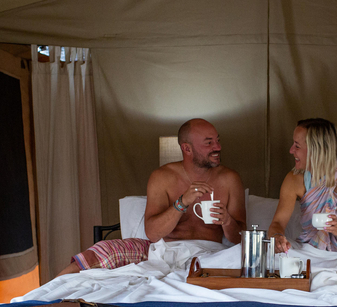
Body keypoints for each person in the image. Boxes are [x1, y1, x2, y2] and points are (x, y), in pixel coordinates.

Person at [56, 118, 246, 276]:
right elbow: (153, 233)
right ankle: (46, 295)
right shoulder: (162, 177)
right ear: (187, 149)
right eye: (209, 142)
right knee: (105, 249)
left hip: (211, 254)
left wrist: (227, 221)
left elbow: (240, 239)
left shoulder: (230, 179)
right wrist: (181, 203)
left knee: (245, 260)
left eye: (217, 140)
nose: (218, 147)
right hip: (162, 251)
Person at [267, 118, 337, 254]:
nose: (291, 150)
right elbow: (277, 222)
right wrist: (277, 237)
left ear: (316, 149)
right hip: (310, 253)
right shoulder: (294, 179)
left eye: (297, 145)